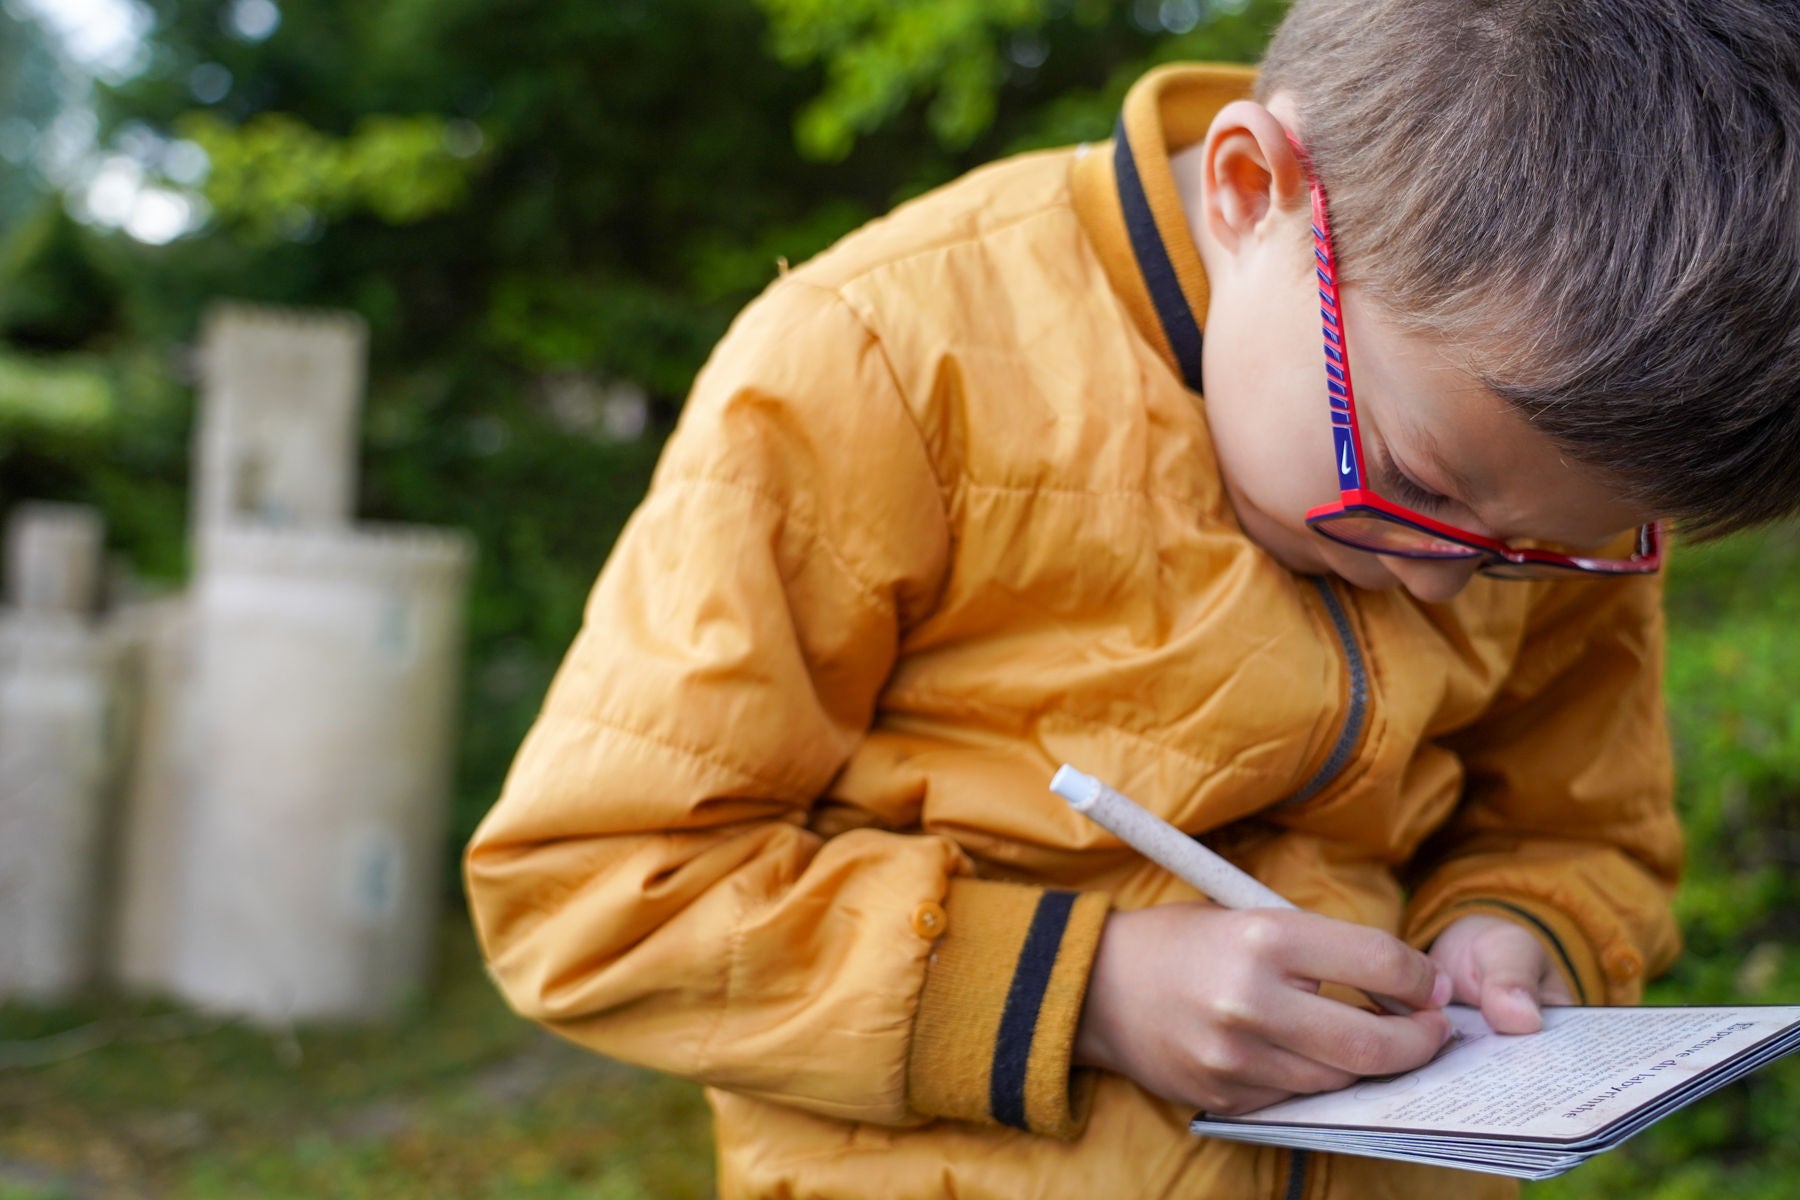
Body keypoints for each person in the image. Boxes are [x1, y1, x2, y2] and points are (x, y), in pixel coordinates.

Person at [465, 2, 1800, 1196]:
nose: (1447, 574)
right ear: (1245, 190)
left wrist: (1518, 935)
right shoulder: (881, 362)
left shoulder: (1540, 475)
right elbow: (591, 890)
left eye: (1531, 553)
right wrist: (1083, 991)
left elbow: (1584, 830)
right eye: (1408, 482)